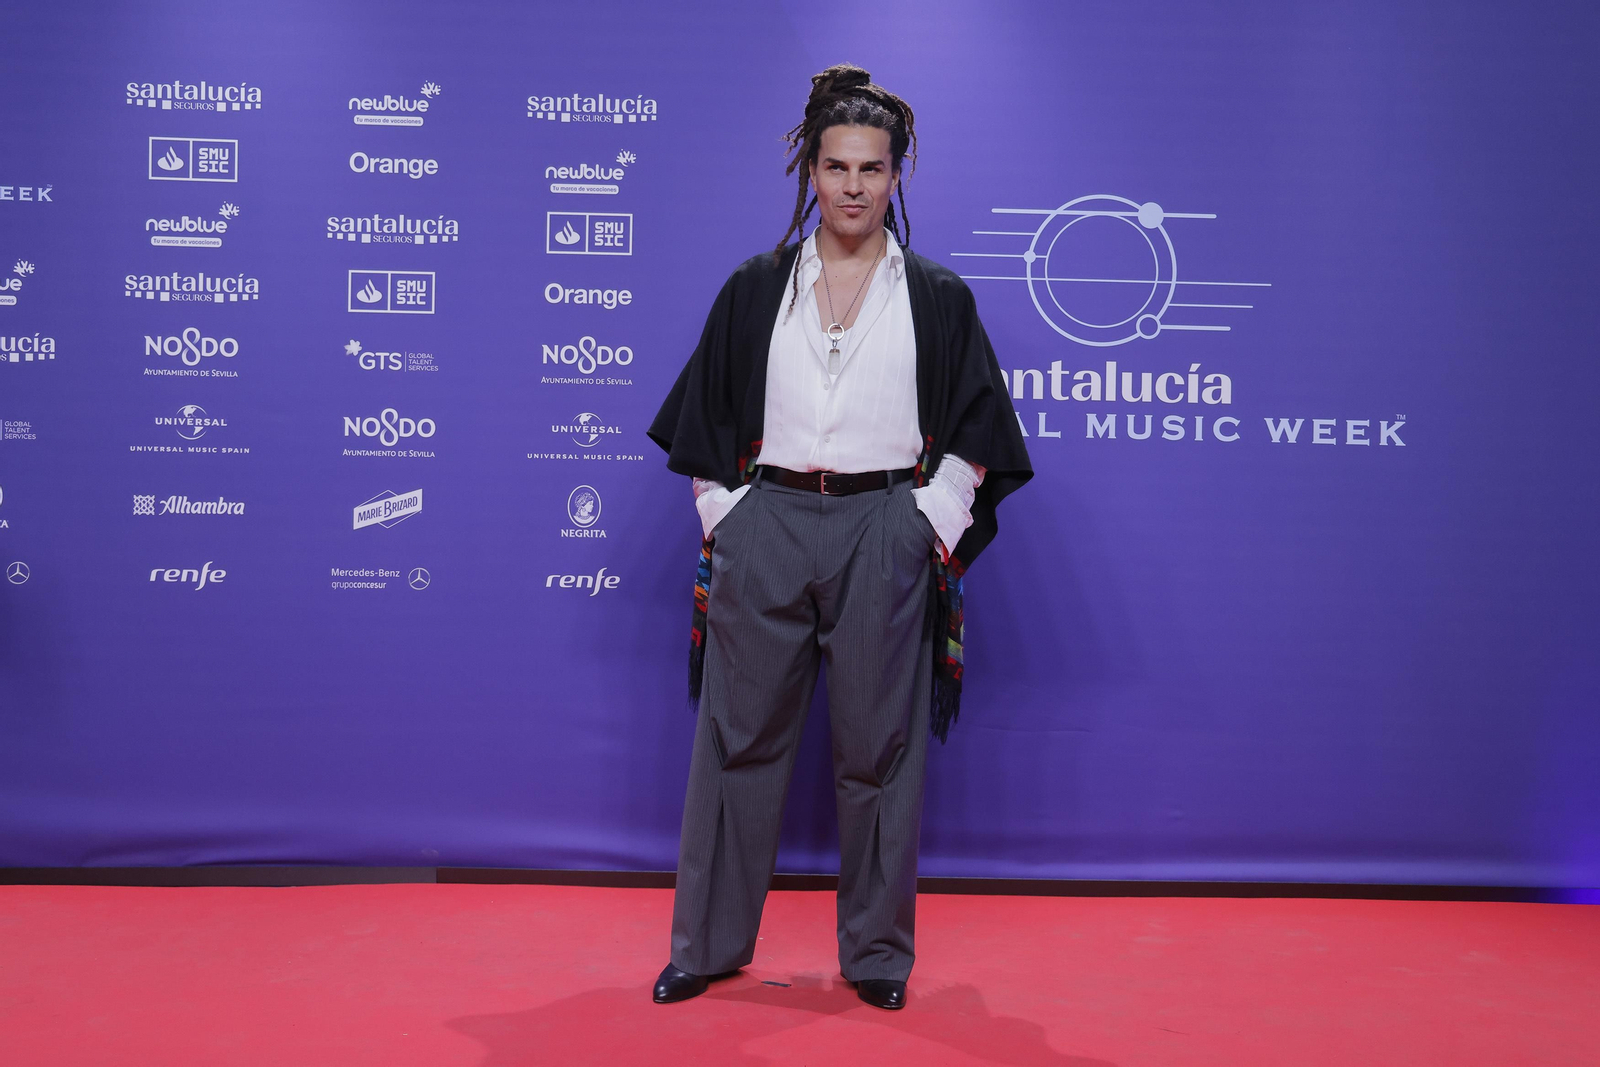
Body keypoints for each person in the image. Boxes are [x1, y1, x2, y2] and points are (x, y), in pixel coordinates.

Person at [646, 63, 1031, 1011]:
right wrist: (726, 515)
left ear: (897, 176)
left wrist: (926, 522)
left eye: (873, 167)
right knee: (735, 743)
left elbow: (979, 431)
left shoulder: (937, 296)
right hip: (767, 518)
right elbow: (702, 416)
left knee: (881, 750)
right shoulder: (755, 286)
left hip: (883, 526)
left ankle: (876, 957)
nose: (853, 185)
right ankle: (706, 942)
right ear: (808, 173)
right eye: (836, 166)